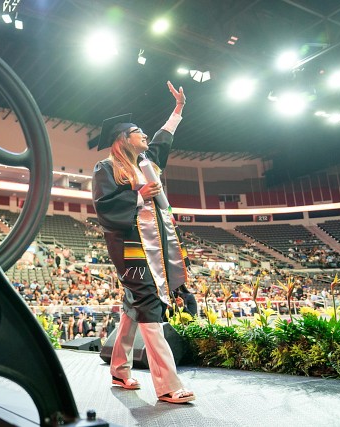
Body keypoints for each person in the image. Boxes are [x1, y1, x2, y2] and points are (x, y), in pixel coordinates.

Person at [91, 81, 195, 403]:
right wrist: (137, 195)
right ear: (123, 138)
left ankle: (119, 370)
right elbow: (104, 206)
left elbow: (162, 141)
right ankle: (167, 386)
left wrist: (177, 111)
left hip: (156, 246)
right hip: (131, 249)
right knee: (149, 304)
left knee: (132, 307)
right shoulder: (106, 168)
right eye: (138, 132)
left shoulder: (146, 164)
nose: (145, 136)